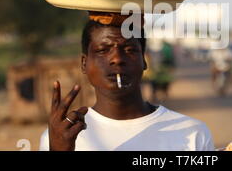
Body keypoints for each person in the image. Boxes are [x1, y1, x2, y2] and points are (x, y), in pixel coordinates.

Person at [39, 14, 214, 151]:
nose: (116, 59)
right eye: (103, 50)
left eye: (129, 49)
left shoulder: (193, 133)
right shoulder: (60, 137)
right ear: (84, 63)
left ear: (144, 61)